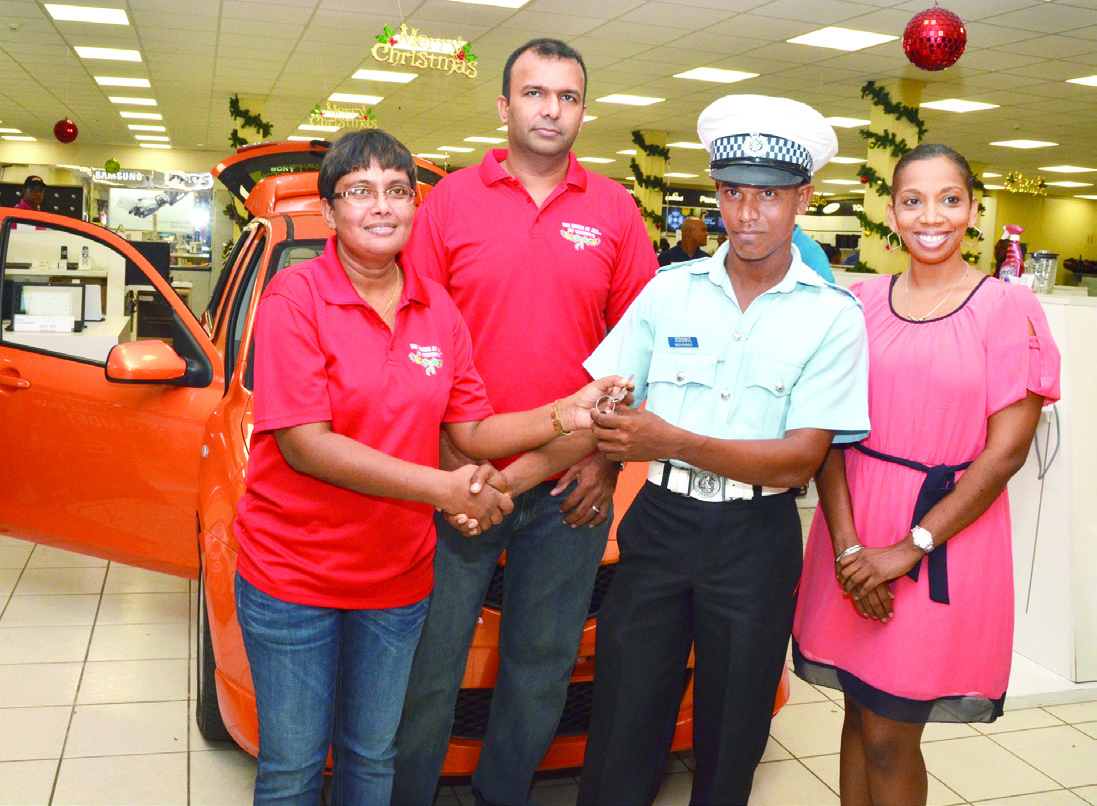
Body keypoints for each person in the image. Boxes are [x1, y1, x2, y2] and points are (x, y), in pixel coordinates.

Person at [232, 129, 628, 806]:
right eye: (359, 191)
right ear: (329, 210)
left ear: (414, 210)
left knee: (372, 758)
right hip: (295, 576)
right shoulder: (293, 299)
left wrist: (568, 412)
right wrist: (447, 490)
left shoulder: (436, 310)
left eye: (396, 190)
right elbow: (306, 445)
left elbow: (472, 430)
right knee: (293, 768)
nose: (381, 206)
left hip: (397, 578)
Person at [576, 94, 871, 806]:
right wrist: (601, 457)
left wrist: (668, 439)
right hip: (660, 523)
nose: (747, 214)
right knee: (621, 723)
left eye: (769, 196)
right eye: (733, 192)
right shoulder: (667, 293)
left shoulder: (833, 318)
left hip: (755, 538)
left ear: (802, 198)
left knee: (732, 734)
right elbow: (607, 395)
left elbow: (799, 459)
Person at [391, 37, 657, 806]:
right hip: (456, 481)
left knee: (540, 668)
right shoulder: (448, 204)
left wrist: (605, 461)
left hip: (569, 485)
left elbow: (638, 352)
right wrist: (450, 467)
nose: (551, 109)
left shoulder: (613, 211)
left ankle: (501, 794)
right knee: (428, 668)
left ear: (582, 112)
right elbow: (412, 340)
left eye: (566, 96)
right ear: (504, 107)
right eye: (534, 93)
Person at [792, 143, 1061, 806]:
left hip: (942, 539)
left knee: (891, 734)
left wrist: (908, 548)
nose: (930, 216)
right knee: (858, 716)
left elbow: (1005, 453)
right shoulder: (857, 303)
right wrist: (851, 549)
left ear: (972, 211)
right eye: (913, 200)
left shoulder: (1008, 309)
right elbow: (826, 434)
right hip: (850, 528)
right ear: (892, 213)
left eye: (949, 199)